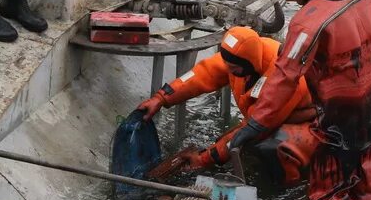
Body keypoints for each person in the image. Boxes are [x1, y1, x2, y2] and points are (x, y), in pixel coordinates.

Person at [230, 0, 371, 200]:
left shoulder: (308, 21)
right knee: (368, 185)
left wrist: (255, 124)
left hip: (341, 121)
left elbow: (285, 76)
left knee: (328, 195)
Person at [136, 26, 320, 183]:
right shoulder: (240, 55)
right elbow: (201, 75)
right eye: (228, 66)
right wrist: (161, 98)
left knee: (273, 149)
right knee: (236, 145)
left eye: (233, 69)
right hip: (262, 119)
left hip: (307, 123)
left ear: (250, 64)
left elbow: (255, 127)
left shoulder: (284, 79)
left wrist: (206, 158)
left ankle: (283, 194)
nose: (229, 71)